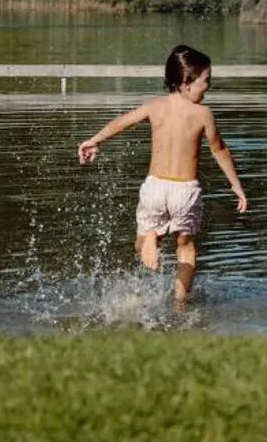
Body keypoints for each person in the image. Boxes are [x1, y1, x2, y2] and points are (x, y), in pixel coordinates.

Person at [77, 44, 248, 304]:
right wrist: (235, 184)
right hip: (185, 191)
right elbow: (219, 150)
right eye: (206, 80)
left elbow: (122, 122)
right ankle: (180, 303)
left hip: (155, 188)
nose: (209, 86)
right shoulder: (203, 114)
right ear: (187, 83)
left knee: (141, 244)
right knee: (186, 247)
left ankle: (151, 237)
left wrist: (94, 140)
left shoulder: (154, 106)